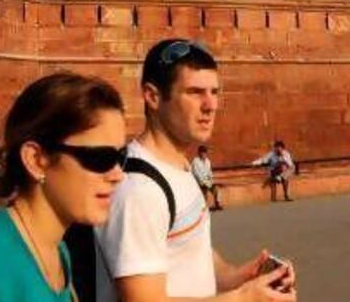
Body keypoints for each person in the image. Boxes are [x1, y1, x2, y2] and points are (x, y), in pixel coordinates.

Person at [95, 38, 296, 301]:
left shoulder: (176, 164)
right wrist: (242, 299)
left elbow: (191, 251)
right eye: (195, 92)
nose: (210, 105)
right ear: (153, 96)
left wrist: (242, 277)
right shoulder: (139, 191)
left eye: (214, 92)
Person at [0, 73, 128, 301]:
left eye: (121, 157)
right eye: (99, 158)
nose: (118, 175)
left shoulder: (56, 249)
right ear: (36, 159)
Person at [191, 145, 223, 211]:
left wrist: (211, 179)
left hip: (207, 180)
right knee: (204, 194)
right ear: (199, 153)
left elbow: (209, 172)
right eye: (202, 152)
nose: (204, 154)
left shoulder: (208, 161)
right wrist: (203, 181)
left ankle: (217, 204)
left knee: (216, 190)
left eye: (205, 152)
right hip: (198, 181)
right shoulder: (195, 161)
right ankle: (203, 208)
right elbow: (196, 173)